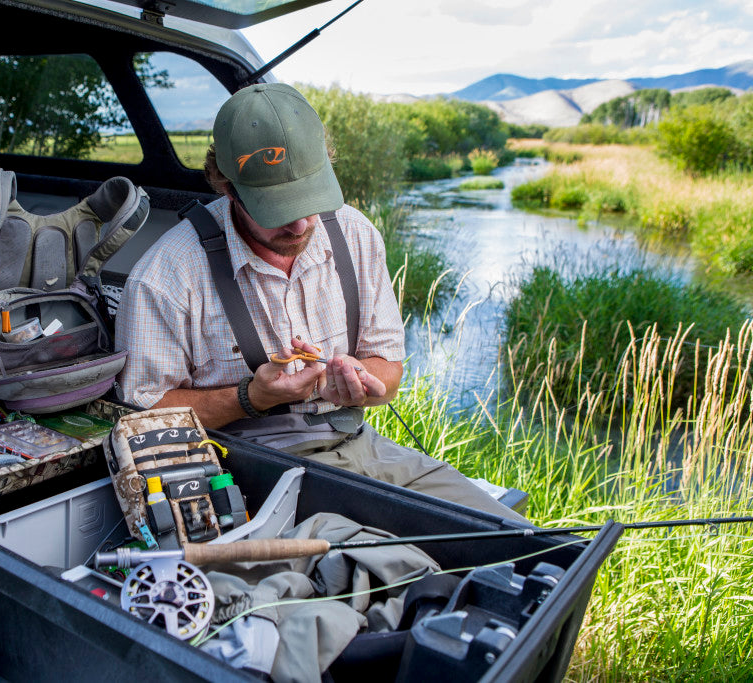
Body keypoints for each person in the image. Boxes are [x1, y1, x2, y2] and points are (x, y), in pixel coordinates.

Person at [115, 82, 527, 523]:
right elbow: (145, 417)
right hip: (248, 469)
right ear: (227, 188)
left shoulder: (354, 234)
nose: (299, 223)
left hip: (364, 445)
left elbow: (389, 371)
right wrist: (252, 396)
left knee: (516, 539)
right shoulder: (166, 275)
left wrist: (360, 381)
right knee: (403, 563)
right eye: (276, 208)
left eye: (310, 200)